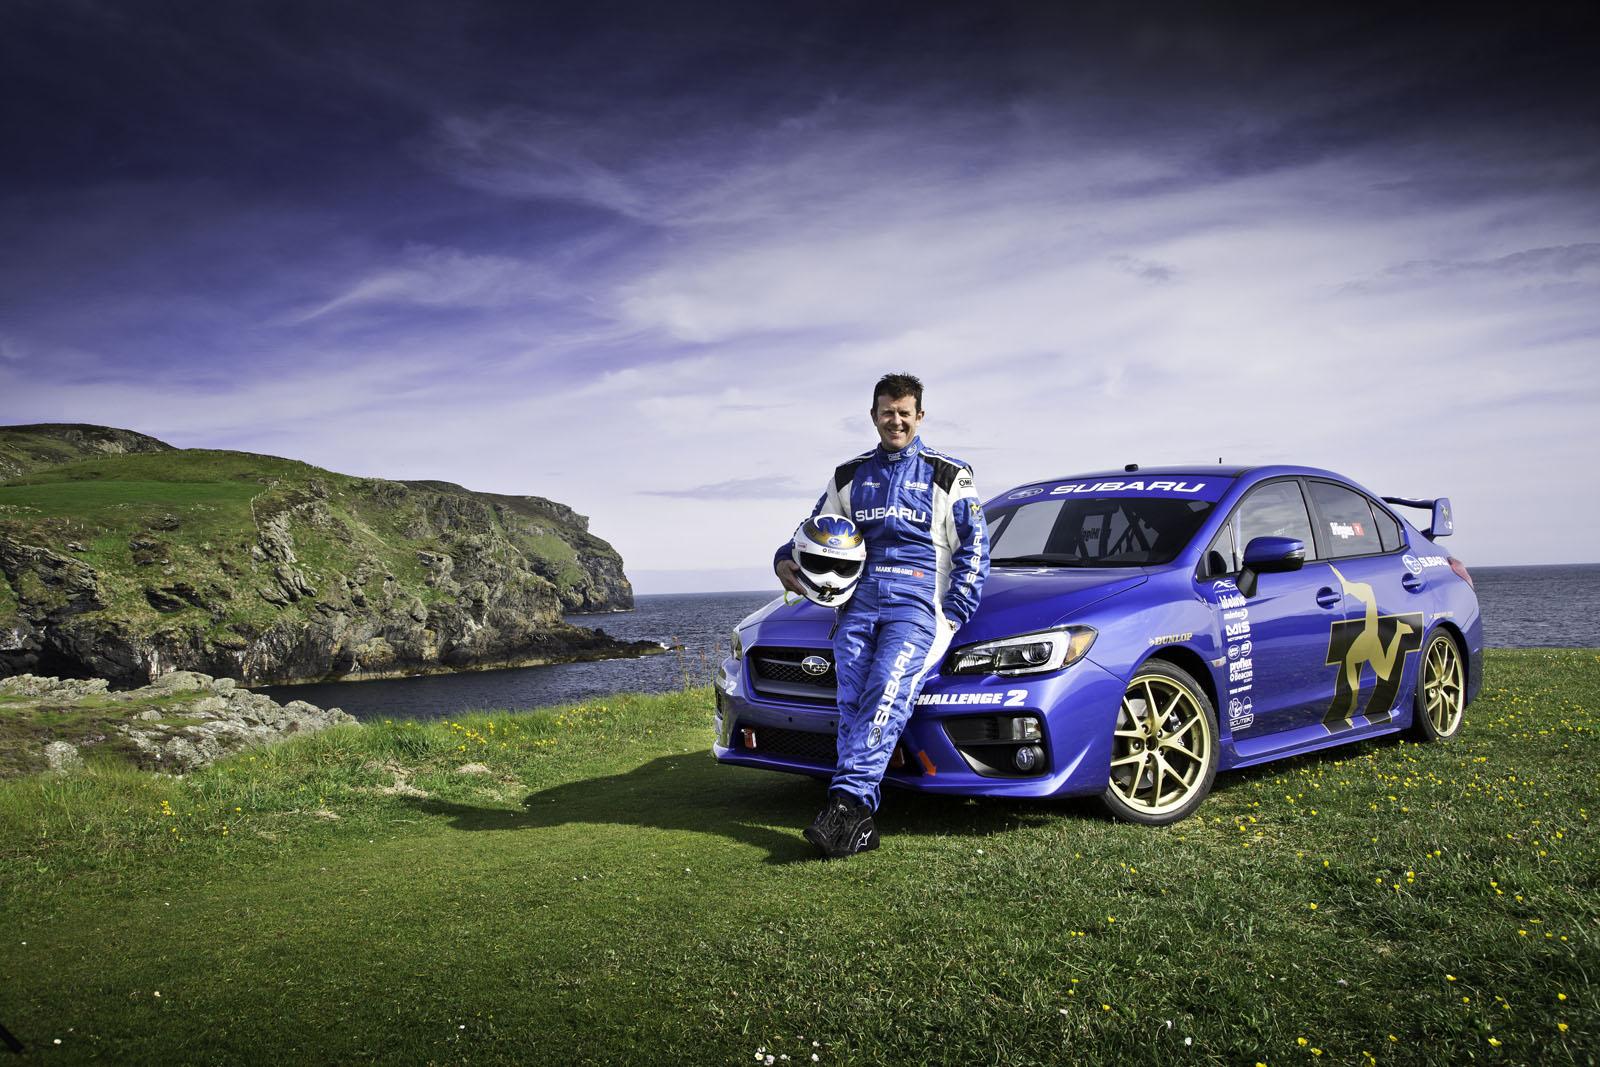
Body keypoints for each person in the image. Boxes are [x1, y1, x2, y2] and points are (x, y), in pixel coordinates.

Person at [775, 373, 989, 858]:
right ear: (873, 415)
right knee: (851, 704)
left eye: (904, 413)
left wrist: (954, 614)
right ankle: (858, 824)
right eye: (887, 412)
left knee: (884, 696)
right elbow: (812, 530)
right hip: (856, 605)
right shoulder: (847, 476)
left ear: (919, 416)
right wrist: (783, 559)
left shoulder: (949, 474)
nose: (896, 421)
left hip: (918, 607)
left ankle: (845, 804)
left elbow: (975, 548)